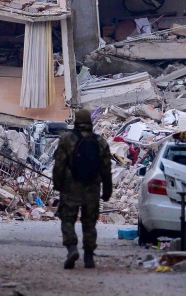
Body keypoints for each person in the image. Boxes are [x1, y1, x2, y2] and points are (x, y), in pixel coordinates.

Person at [52, 108, 112, 269]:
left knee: (67, 220)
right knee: (89, 223)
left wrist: (58, 184)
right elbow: (106, 168)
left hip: (71, 188)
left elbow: (59, 164)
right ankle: (89, 257)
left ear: (76, 122)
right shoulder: (100, 142)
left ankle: (72, 248)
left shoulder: (66, 139)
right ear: (90, 123)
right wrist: (107, 190)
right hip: (92, 188)